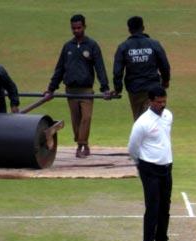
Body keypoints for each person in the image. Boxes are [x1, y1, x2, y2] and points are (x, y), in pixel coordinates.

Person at [45, 14, 111, 158]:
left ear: (84, 27)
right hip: (71, 91)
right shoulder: (67, 46)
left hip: (86, 90)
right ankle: (82, 144)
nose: (76, 31)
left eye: (79, 27)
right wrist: (51, 88)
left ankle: (81, 145)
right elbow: (60, 69)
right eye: (73, 28)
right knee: (76, 119)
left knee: (86, 118)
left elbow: (100, 67)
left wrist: (105, 88)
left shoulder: (92, 45)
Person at [128, 86, 178, 241]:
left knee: (165, 206)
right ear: (150, 101)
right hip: (149, 168)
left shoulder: (168, 116)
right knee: (153, 207)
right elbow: (132, 147)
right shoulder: (142, 123)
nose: (162, 105)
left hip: (166, 166)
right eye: (158, 102)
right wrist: (140, 163)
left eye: (164, 101)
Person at [113, 16, 171, 121]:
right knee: (154, 119)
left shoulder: (123, 47)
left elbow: (117, 72)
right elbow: (165, 65)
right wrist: (165, 81)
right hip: (153, 88)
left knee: (140, 120)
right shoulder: (154, 44)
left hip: (135, 90)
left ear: (129, 30)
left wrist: (118, 89)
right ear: (143, 27)